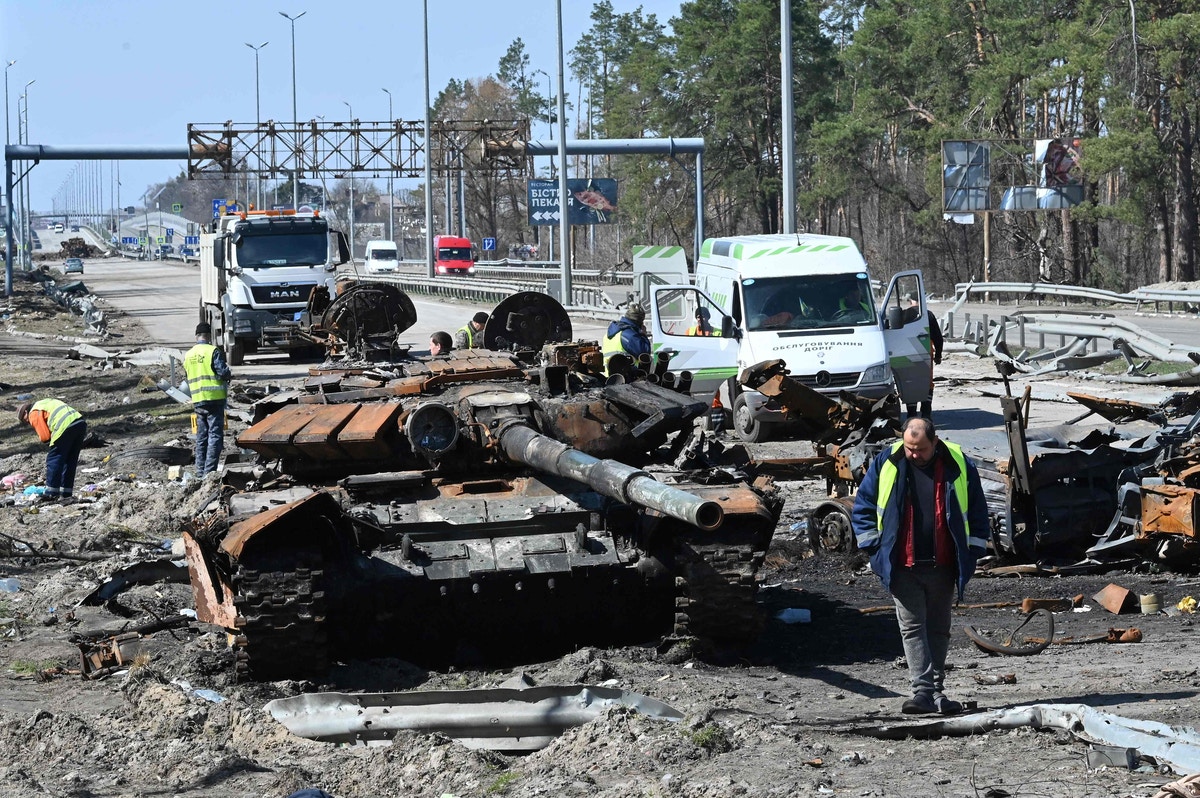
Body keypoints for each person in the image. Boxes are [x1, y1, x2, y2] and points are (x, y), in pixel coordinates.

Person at [851, 417, 988, 716]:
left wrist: (973, 552)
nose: (914, 454)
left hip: (943, 564)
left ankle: (935, 692)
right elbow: (862, 507)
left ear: (935, 442)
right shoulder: (888, 461)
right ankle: (923, 692)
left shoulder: (959, 464)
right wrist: (875, 550)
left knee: (939, 628)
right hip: (903, 565)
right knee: (913, 628)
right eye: (910, 447)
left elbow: (977, 509)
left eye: (921, 449)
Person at [185, 322, 233, 478]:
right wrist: (227, 374)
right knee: (215, 436)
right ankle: (209, 473)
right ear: (209, 336)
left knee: (201, 437)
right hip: (214, 400)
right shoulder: (213, 351)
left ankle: (199, 472)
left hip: (198, 401)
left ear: (196, 336)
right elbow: (222, 371)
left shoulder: (189, 355)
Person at [17, 399, 87, 502]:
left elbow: (44, 436)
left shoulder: (33, 412)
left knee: (54, 459)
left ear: (26, 412)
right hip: (79, 423)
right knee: (69, 460)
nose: (28, 423)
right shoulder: (44, 403)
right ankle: (66, 493)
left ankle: (51, 493)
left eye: (25, 420)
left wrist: (51, 445)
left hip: (65, 426)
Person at [906, 309, 944, 420]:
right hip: (925, 352)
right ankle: (926, 414)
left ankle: (911, 414)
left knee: (909, 382)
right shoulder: (928, 314)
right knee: (927, 383)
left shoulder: (905, 314)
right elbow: (938, 337)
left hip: (907, 353)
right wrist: (938, 354)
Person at [602, 303, 651, 375]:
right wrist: (643, 335)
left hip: (610, 377)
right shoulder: (630, 335)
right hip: (627, 378)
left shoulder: (610, 333)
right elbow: (644, 354)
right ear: (639, 321)